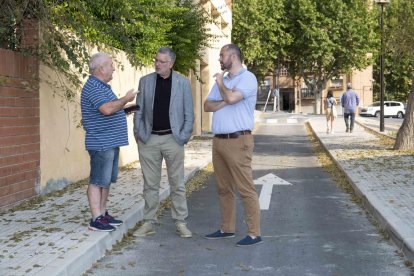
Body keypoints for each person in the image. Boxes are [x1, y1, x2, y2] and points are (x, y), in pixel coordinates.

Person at [203, 44, 262, 247]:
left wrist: (220, 84)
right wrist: (225, 99)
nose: (220, 58)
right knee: (223, 188)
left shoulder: (247, 78)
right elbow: (207, 105)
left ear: (233, 56)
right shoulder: (227, 80)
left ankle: (254, 233)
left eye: (222, 55)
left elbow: (229, 96)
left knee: (245, 188)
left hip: (239, 141)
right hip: (219, 141)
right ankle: (227, 228)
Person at [133, 47, 194, 238]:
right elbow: (139, 110)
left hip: (173, 140)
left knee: (177, 183)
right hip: (149, 140)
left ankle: (180, 222)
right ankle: (149, 222)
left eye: (162, 61)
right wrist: (139, 133)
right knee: (150, 185)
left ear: (171, 63)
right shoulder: (145, 81)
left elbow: (188, 114)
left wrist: (183, 136)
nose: (157, 64)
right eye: (156, 60)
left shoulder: (182, 82)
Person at [81, 52, 137, 232]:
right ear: (101, 68)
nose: (114, 68)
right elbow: (106, 109)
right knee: (98, 180)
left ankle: (103, 214)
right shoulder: (93, 86)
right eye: (111, 65)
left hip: (110, 142)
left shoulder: (103, 86)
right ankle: (96, 219)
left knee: (106, 180)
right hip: (101, 142)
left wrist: (126, 108)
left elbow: (111, 108)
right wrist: (125, 99)